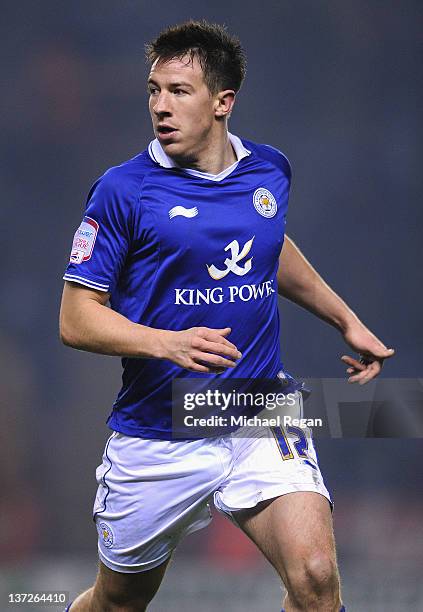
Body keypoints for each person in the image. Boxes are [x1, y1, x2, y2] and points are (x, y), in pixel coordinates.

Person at [60, 20, 394, 612]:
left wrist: (344, 318)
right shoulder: (123, 190)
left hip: (259, 408)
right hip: (161, 429)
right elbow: (77, 319)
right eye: (153, 90)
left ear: (223, 102)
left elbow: (267, 244)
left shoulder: (269, 170)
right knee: (118, 601)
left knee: (316, 582)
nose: (160, 107)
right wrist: (168, 343)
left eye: (179, 92)